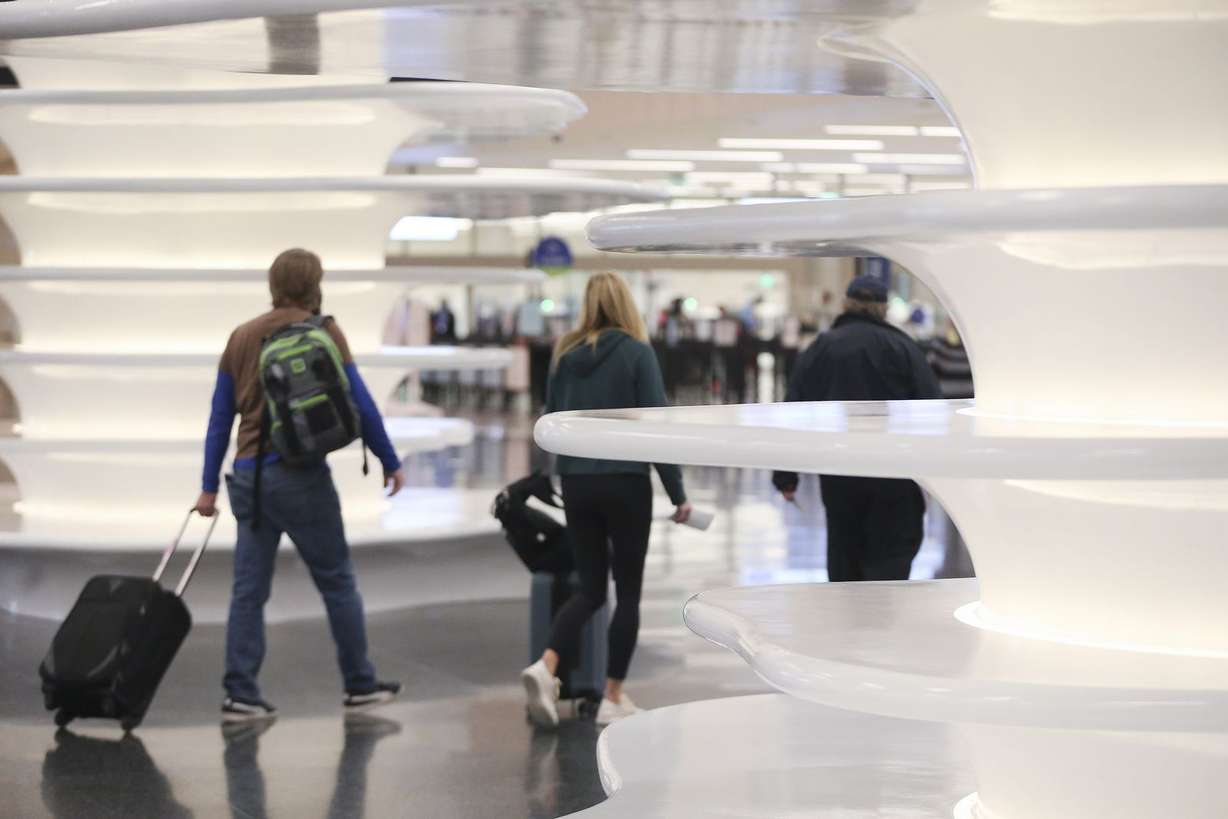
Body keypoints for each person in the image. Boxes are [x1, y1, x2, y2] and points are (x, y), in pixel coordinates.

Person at [195, 248, 405, 722]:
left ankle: (241, 694)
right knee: (337, 582)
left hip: (250, 477)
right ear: (315, 283)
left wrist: (208, 487)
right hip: (301, 475)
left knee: (248, 591)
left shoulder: (242, 337)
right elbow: (362, 404)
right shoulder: (325, 331)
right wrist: (389, 460)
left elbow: (219, 419)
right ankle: (359, 685)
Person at [521, 271, 691, 728]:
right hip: (625, 482)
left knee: (591, 589)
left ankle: (547, 665)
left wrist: (564, 474)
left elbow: (550, 421)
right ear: (626, 305)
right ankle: (613, 694)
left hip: (578, 483)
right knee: (628, 592)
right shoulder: (637, 354)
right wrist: (678, 494)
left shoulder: (564, 355)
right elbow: (656, 429)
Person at [772, 275, 941, 582]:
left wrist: (785, 475)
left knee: (844, 553)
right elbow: (932, 411)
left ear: (846, 305)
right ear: (884, 308)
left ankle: (848, 622)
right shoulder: (904, 348)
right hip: (894, 475)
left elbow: (793, 410)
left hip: (840, 473)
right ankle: (880, 623)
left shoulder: (821, 347)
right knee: (889, 559)